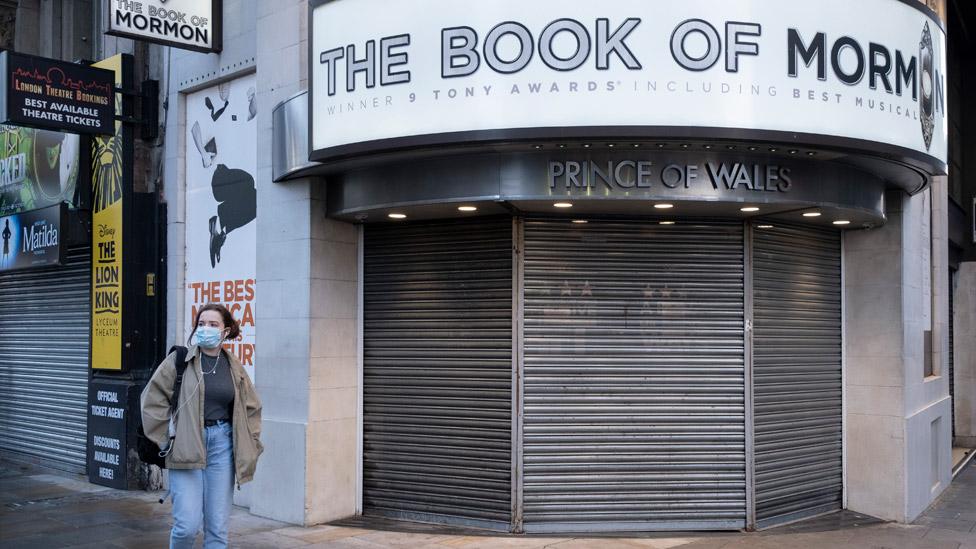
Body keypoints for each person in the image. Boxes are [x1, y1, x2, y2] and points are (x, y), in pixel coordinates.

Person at [140, 303, 263, 549]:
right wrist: (167, 439)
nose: (205, 328)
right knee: (186, 526)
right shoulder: (179, 361)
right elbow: (151, 400)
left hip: (222, 445)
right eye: (201, 323)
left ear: (225, 331)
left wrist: (252, 442)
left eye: (213, 324)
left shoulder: (233, 367)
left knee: (217, 529)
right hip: (185, 447)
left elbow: (251, 408)